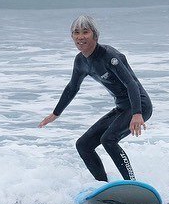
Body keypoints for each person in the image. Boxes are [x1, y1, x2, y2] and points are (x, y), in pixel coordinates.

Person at [38, 15, 152, 182]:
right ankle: (103, 186)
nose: (80, 37)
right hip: (121, 108)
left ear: (95, 35)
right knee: (83, 145)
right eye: (76, 33)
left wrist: (137, 114)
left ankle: (132, 184)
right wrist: (55, 114)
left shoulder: (109, 56)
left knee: (108, 139)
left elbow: (131, 84)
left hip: (139, 105)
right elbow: (72, 88)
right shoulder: (80, 61)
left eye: (85, 32)